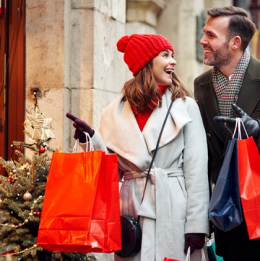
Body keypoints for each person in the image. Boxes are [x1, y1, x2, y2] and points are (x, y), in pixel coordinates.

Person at [67, 34, 209, 261]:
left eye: (172, 55)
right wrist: (89, 140)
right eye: (165, 55)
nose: (172, 61)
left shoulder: (186, 106)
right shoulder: (113, 112)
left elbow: (197, 170)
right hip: (131, 210)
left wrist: (197, 224)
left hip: (173, 208)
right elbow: (108, 171)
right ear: (145, 63)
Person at [194, 6, 260, 261]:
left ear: (235, 42)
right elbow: (205, 152)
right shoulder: (201, 84)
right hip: (227, 213)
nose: (202, 41)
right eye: (204, 33)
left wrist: (257, 130)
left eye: (211, 35)